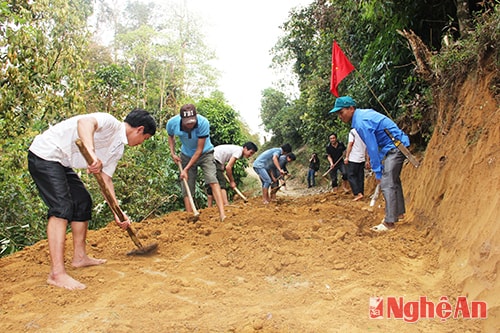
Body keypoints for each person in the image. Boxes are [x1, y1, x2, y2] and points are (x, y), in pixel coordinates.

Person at [27, 109, 157, 290]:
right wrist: (91, 153)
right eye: (146, 138)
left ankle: (79, 257)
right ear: (139, 130)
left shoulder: (117, 149)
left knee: (82, 201)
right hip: (45, 153)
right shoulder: (110, 122)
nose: (142, 142)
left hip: (61, 161)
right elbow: (84, 123)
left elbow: (106, 179)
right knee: (62, 207)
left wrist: (117, 213)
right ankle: (57, 274)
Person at [330, 96, 409, 232]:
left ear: (351, 108)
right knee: (393, 180)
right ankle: (398, 213)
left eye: (341, 112)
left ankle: (389, 222)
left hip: (395, 146)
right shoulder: (361, 117)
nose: (340, 116)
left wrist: (377, 171)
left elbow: (371, 147)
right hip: (392, 146)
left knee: (386, 182)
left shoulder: (361, 122)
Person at [166, 103, 226, 221]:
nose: (190, 124)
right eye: (187, 122)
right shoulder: (172, 123)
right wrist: (172, 153)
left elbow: (199, 150)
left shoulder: (203, 122)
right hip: (186, 155)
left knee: (212, 179)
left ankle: (222, 214)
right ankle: (191, 215)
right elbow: (170, 136)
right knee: (187, 184)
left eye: (192, 121)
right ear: (181, 119)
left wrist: (185, 169)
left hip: (205, 153)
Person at [206, 142, 258, 206]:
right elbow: (228, 167)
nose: (250, 155)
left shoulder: (237, 149)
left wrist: (221, 166)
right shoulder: (239, 151)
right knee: (221, 183)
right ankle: (226, 204)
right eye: (251, 152)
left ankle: (209, 207)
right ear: (245, 148)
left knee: (211, 184)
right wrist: (232, 181)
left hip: (209, 158)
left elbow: (223, 159)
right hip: (214, 160)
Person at [344, 128, 369, 201]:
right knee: (360, 177)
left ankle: (357, 193)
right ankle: (361, 193)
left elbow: (350, 144)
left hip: (354, 158)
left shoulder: (353, 132)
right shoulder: (365, 131)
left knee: (351, 175)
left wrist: (347, 157)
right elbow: (367, 147)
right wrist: (367, 160)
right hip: (362, 158)